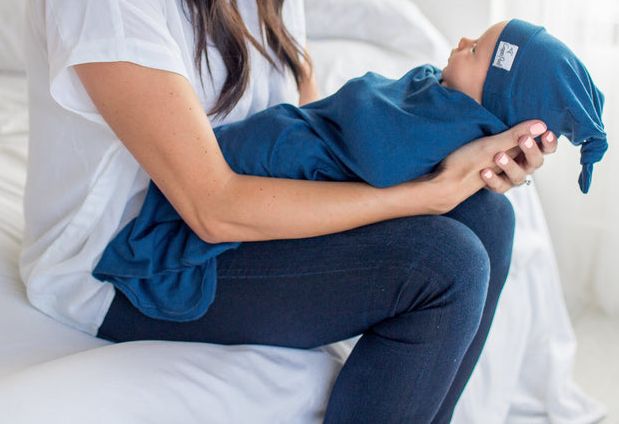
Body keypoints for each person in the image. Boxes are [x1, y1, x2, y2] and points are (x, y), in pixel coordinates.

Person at [20, 0, 558, 421]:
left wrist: (451, 153)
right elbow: (211, 206)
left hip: (228, 225)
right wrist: (421, 199)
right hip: (129, 264)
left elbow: (309, 136)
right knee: (441, 262)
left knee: (485, 213)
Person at [95, 17, 607, 336]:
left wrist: (467, 167)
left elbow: (374, 143)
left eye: (475, 51)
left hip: (275, 165)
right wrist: (429, 193)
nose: (462, 40)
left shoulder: (444, 122)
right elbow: (342, 116)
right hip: (221, 191)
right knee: (453, 258)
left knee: (490, 213)